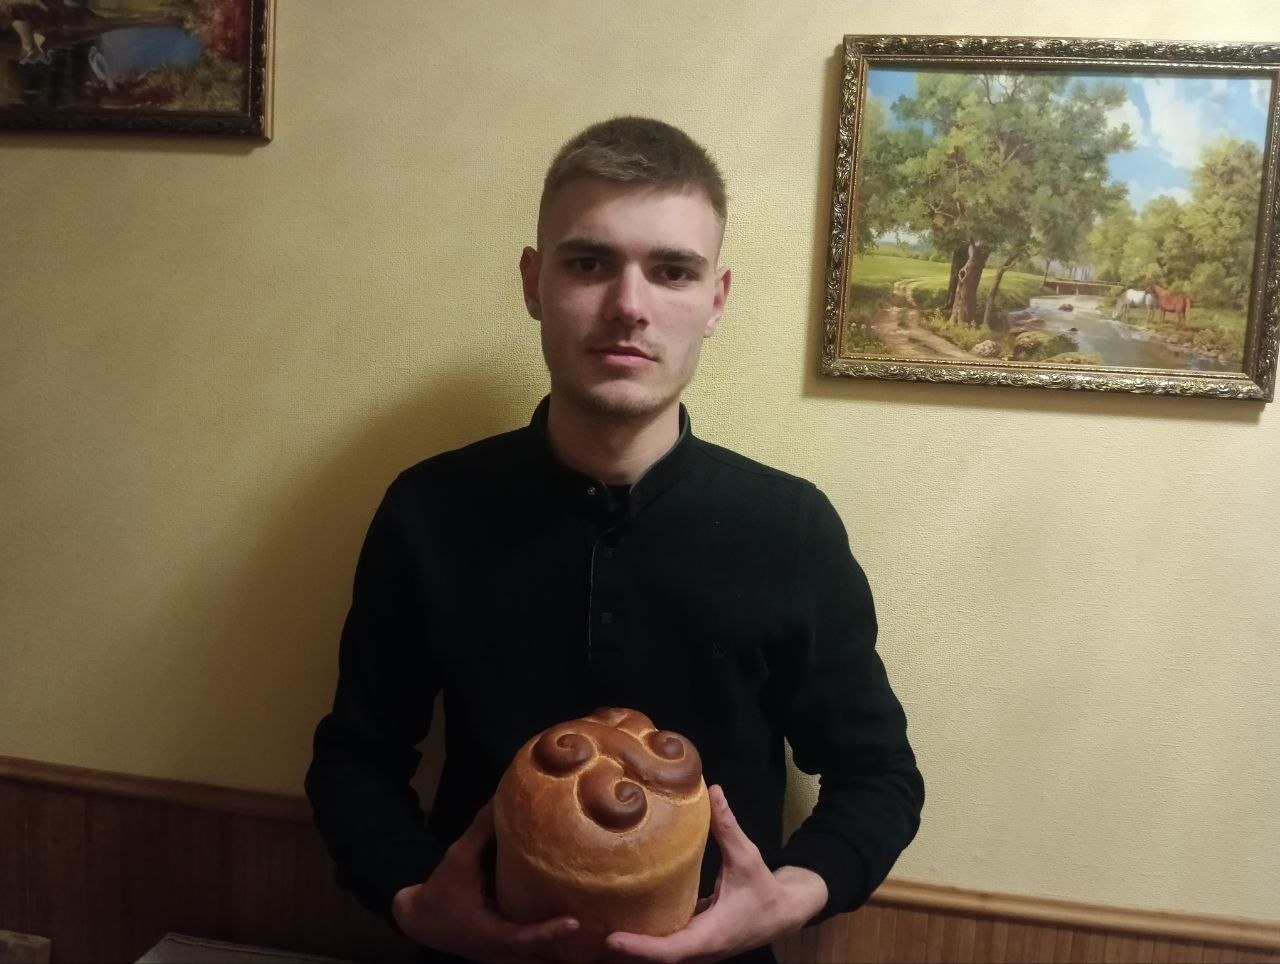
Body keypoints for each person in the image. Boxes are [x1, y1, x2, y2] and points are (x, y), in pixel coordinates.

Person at [305, 116, 924, 964]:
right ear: (534, 282)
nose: (629, 306)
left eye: (672, 271)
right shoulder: (428, 510)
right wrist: (413, 901)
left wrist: (786, 899)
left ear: (716, 300)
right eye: (589, 263)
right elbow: (356, 759)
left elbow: (878, 775)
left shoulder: (791, 528)